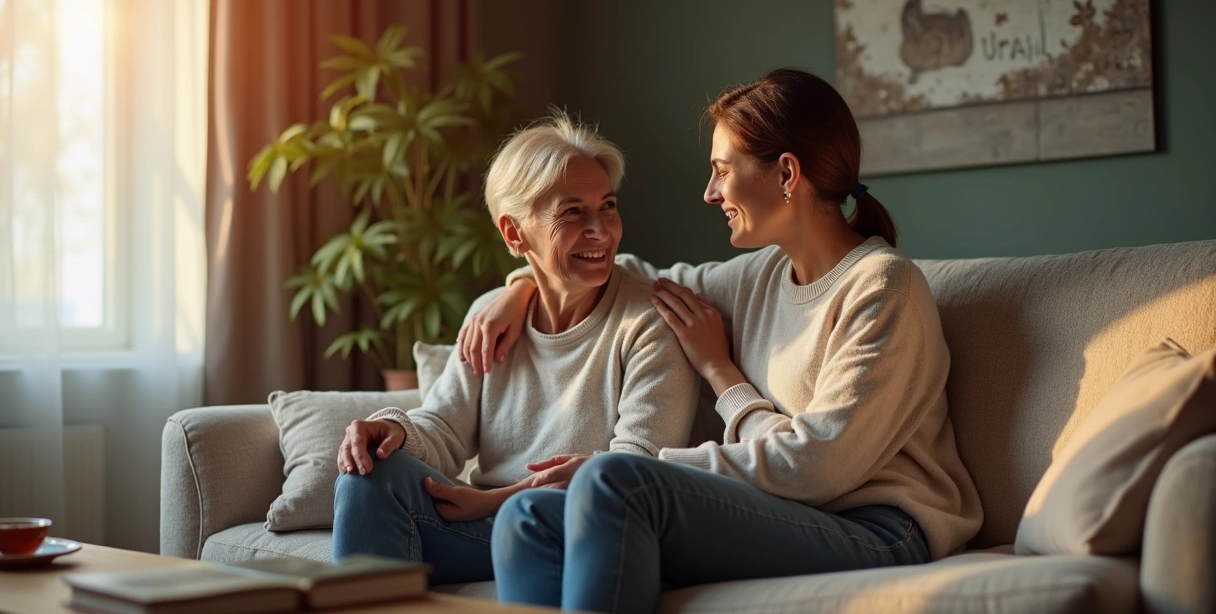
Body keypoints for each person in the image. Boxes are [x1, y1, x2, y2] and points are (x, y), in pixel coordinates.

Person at [462, 69, 983, 613]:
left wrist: (722, 379)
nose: (710, 193)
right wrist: (519, 287)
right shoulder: (758, 276)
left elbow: (820, 467)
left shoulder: (881, 286)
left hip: (880, 528)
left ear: (785, 173)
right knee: (527, 518)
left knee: (614, 481)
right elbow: (627, 277)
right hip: (789, 513)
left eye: (721, 171)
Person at [330, 111, 700, 587]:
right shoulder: (492, 315)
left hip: (565, 529)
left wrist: (498, 499)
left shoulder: (649, 321)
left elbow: (634, 468)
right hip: (482, 529)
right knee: (368, 475)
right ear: (513, 233)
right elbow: (444, 427)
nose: (602, 231)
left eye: (607, 206)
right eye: (572, 213)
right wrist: (390, 429)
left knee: (527, 517)